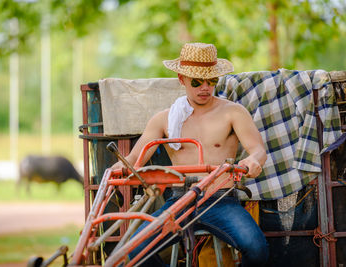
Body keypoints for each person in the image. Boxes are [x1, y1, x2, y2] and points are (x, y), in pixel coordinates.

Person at [111, 42, 269, 266]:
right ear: (181, 79)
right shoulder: (164, 119)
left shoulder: (233, 112)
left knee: (257, 249)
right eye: (197, 82)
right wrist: (119, 167)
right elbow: (135, 160)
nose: (205, 87)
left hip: (220, 199)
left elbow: (258, 150)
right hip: (179, 200)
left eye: (211, 81)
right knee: (134, 250)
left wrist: (253, 160)